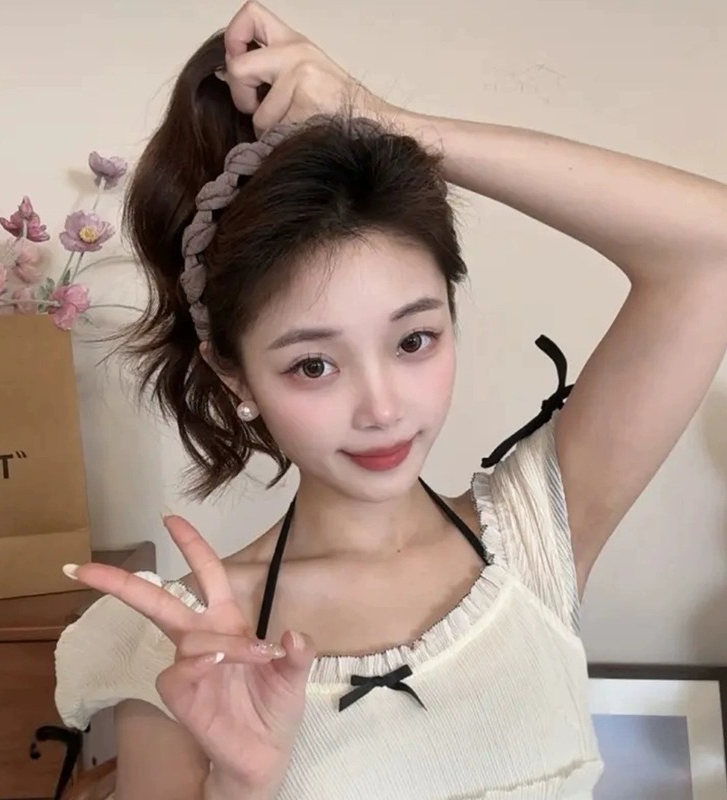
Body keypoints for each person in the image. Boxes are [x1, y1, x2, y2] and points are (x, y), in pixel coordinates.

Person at [54, 3, 727, 799]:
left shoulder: (538, 537)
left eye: (414, 341)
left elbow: (710, 248)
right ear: (235, 378)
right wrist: (241, 784)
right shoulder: (185, 639)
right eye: (313, 365)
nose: (381, 409)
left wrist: (387, 125)